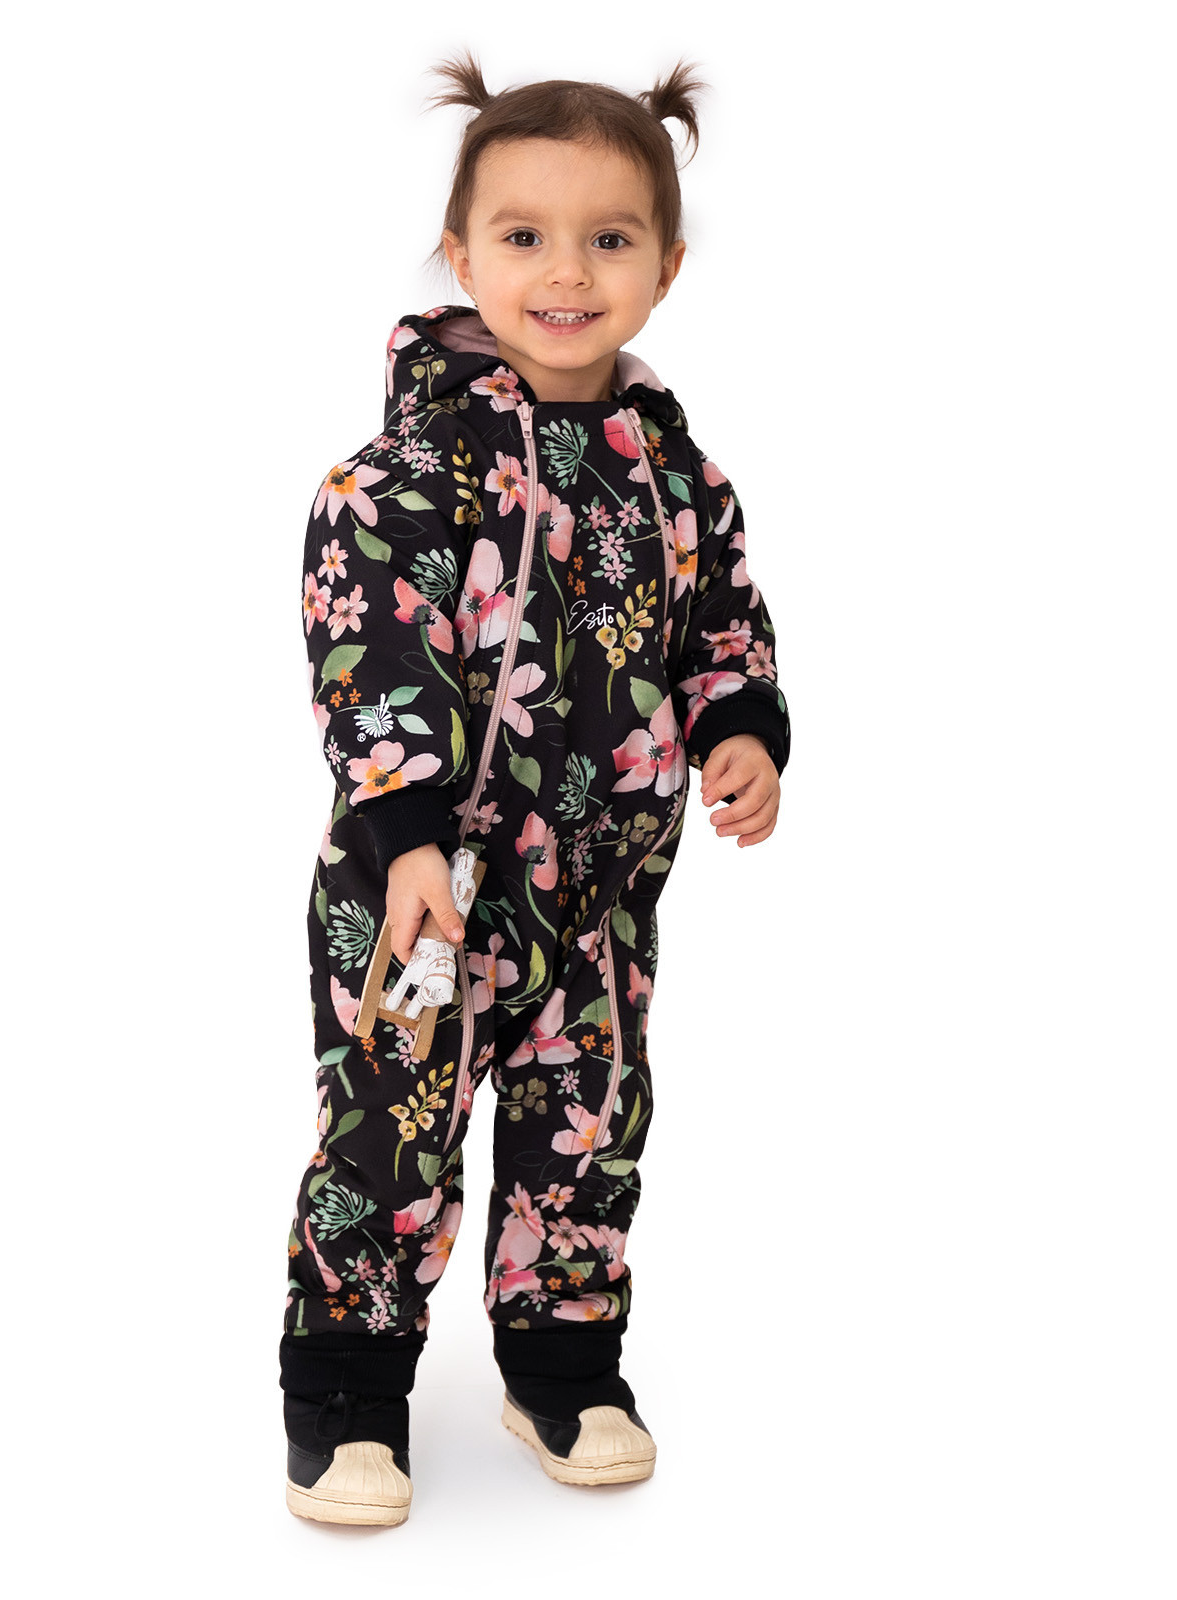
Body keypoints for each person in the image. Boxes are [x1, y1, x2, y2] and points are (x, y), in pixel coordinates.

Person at [282, 50, 792, 1526]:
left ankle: (563, 1364)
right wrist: (405, 837)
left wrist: (740, 729)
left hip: (604, 893)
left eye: (608, 238)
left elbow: (723, 628)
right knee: (390, 1129)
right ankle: (347, 1390)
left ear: (666, 267)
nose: (566, 271)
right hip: (426, 894)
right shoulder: (396, 480)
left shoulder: (680, 479)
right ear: (462, 257)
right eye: (524, 236)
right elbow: (369, 657)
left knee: (591, 1122)